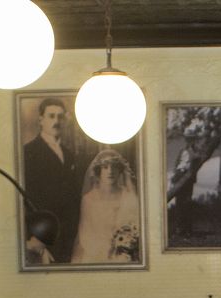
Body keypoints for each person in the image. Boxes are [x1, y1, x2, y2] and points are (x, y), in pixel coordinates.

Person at [21, 97, 82, 264]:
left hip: (68, 236)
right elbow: (25, 199)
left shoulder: (69, 155)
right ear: (41, 120)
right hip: (42, 240)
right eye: (51, 116)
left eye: (60, 117)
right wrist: (35, 239)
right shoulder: (29, 152)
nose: (56, 121)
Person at [75, 147, 141, 264]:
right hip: (95, 252)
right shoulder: (89, 199)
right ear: (98, 171)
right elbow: (85, 233)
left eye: (114, 167)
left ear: (120, 170)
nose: (110, 171)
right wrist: (105, 249)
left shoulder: (129, 197)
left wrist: (122, 247)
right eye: (105, 167)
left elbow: (135, 227)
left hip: (123, 252)